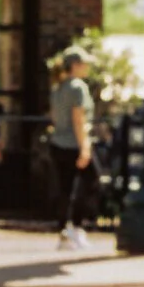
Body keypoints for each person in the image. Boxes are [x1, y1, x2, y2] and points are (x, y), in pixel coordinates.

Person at [48, 47, 96, 248]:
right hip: (74, 143)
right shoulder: (77, 87)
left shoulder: (57, 88)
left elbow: (54, 118)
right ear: (75, 65)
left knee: (65, 189)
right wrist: (84, 147)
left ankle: (63, 232)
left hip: (58, 144)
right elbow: (79, 119)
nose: (87, 67)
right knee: (92, 183)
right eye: (84, 63)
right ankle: (77, 227)